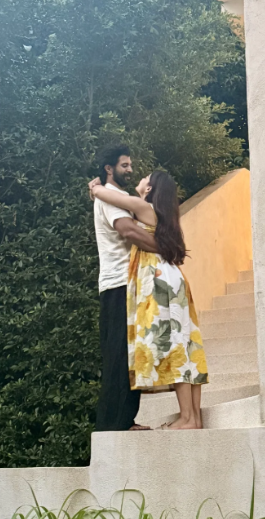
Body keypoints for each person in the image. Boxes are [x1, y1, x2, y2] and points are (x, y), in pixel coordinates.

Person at [89, 169, 209, 430]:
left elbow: (111, 197)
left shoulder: (144, 208)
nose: (140, 178)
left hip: (159, 280)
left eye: (145, 178)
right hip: (173, 278)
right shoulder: (165, 216)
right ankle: (194, 417)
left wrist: (96, 188)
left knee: (174, 345)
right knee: (186, 343)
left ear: (150, 189)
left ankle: (187, 418)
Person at [91, 145, 160, 431]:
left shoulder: (117, 196)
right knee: (119, 354)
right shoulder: (110, 198)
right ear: (109, 169)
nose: (130, 169)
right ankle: (115, 425)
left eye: (130, 165)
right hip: (117, 284)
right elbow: (128, 231)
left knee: (129, 353)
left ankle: (124, 420)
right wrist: (166, 247)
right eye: (124, 165)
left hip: (127, 283)